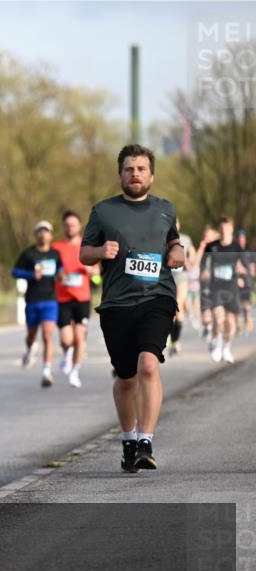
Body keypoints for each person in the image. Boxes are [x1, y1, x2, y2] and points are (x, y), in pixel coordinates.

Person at [79, 144, 184, 473]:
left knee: (148, 366)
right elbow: (83, 254)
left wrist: (178, 248)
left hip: (157, 298)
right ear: (120, 174)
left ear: (151, 175)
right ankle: (128, 441)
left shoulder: (165, 209)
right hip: (117, 303)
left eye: (141, 169)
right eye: (129, 169)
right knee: (126, 378)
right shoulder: (103, 211)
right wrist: (100, 251)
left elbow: (172, 239)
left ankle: (145, 440)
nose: (135, 174)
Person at [12, 220, 63, 387]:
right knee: (32, 335)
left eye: (46, 231)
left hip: (50, 299)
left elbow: (60, 270)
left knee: (48, 335)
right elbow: (15, 271)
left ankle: (46, 371)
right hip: (33, 300)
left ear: (51, 235)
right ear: (36, 235)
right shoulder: (28, 254)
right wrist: (31, 275)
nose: (43, 234)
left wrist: (61, 276)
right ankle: (29, 348)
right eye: (40, 231)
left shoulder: (55, 254)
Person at [51, 210, 96, 387]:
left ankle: (75, 371)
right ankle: (67, 353)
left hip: (82, 297)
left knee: (79, 337)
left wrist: (93, 273)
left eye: (73, 225)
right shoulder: (56, 247)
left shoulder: (87, 247)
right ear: (63, 227)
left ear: (79, 226)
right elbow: (51, 271)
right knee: (66, 339)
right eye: (67, 225)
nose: (70, 228)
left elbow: (98, 275)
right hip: (62, 297)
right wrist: (58, 276)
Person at [202, 216, 247, 363]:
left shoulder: (236, 247)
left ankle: (226, 348)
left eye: (227, 227)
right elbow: (203, 263)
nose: (224, 230)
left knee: (230, 322)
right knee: (219, 318)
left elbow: (244, 266)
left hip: (232, 288)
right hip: (216, 288)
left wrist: (241, 273)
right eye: (221, 227)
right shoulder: (212, 246)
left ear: (231, 229)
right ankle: (217, 343)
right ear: (219, 229)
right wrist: (205, 272)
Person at [168, 218, 196, 355]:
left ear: (179, 225)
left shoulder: (185, 238)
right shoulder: (163, 237)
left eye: (176, 223)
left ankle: (176, 342)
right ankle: (171, 340)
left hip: (181, 278)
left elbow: (192, 253)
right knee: (168, 309)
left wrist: (189, 261)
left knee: (178, 306)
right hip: (167, 278)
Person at [237, 228, 253, 335]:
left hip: (247, 281)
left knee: (246, 304)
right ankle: (238, 323)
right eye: (239, 238)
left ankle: (248, 319)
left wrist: (250, 270)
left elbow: (253, 266)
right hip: (236, 280)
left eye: (242, 238)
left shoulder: (249, 252)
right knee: (237, 303)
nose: (241, 240)